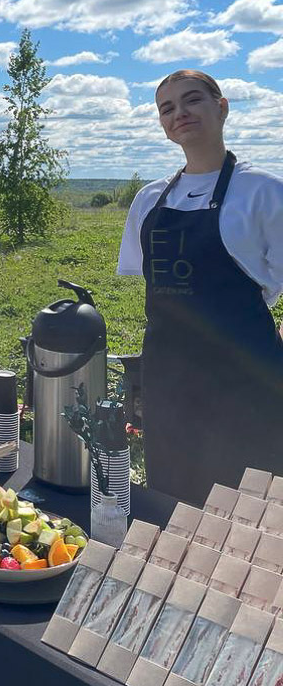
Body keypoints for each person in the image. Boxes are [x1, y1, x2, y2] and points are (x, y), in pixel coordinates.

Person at [118, 69, 283, 505]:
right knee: (172, 494)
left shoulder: (265, 192)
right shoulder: (149, 199)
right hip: (169, 372)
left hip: (246, 376)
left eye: (192, 100)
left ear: (222, 106)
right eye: (166, 108)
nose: (179, 113)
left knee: (247, 504)